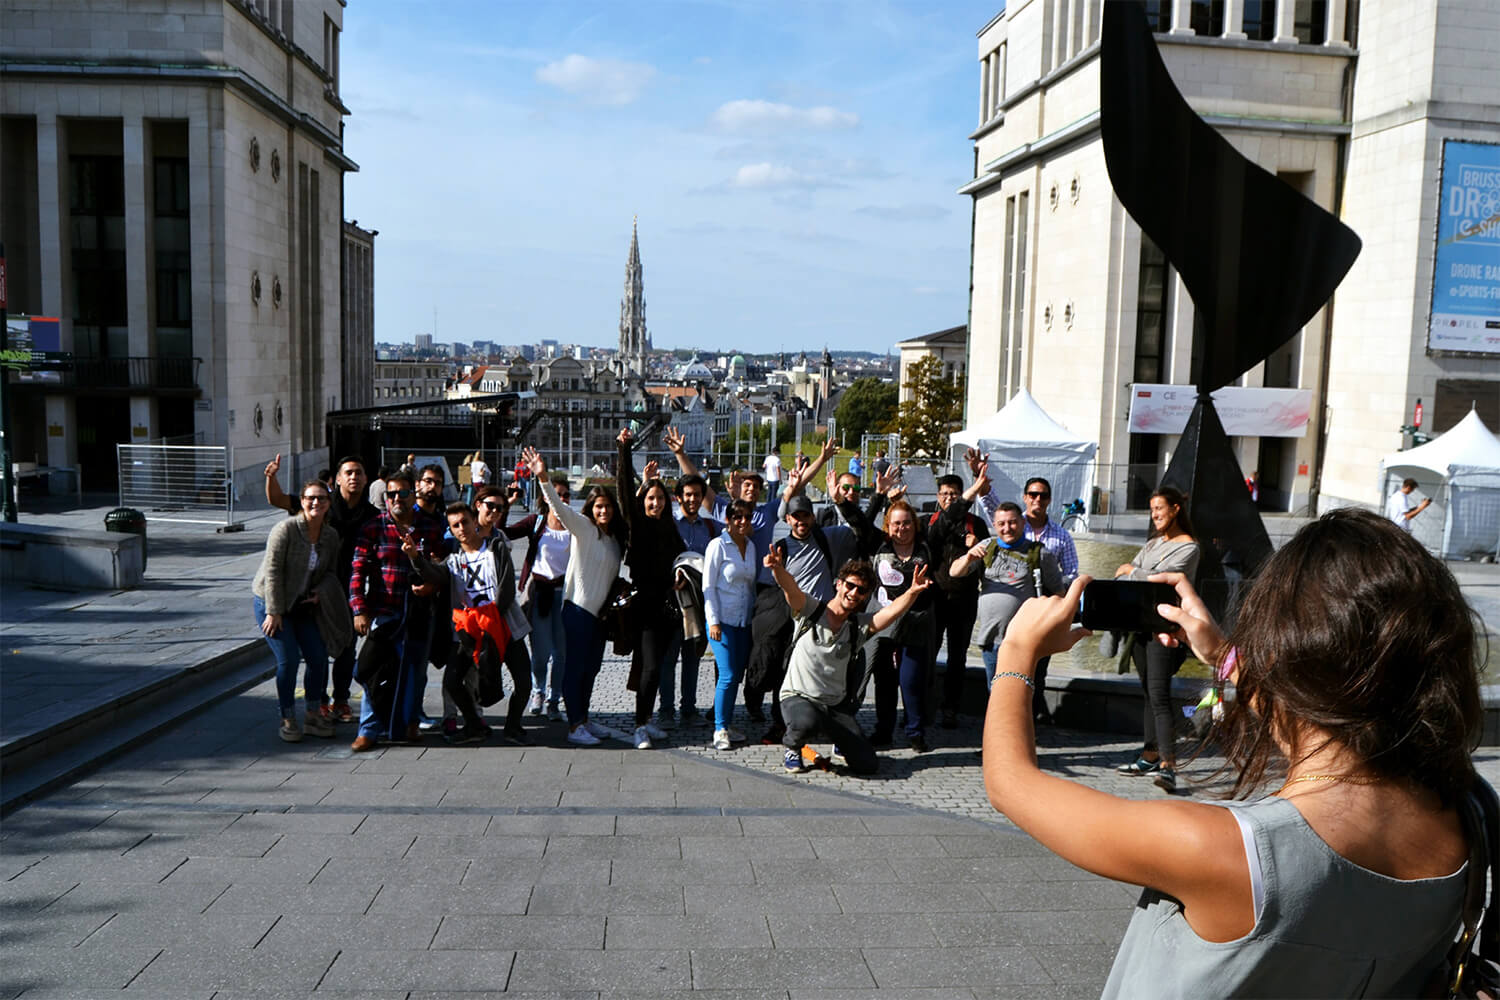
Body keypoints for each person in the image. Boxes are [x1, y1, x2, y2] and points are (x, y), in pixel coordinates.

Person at [981, 508, 1479, 997]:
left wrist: (1016, 653)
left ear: (1284, 652)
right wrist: (1221, 654)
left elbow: (1010, 783)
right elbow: (1317, 727)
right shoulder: (1463, 818)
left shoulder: (1225, 850)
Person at [771, 548, 933, 776]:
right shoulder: (811, 610)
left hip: (834, 706)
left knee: (867, 764)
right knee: (804, 723)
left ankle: (839, 739)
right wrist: (778, 569)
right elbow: (791, 590)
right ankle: (793, 746)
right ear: (838, 584)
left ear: (866, 596)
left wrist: (912, 592)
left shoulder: (857, 627)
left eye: (861, 590)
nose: (854, 593)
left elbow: (890, 614)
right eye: (850, 585)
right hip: (799, 697)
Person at [523, 445, 625, 746]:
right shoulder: (585, 529)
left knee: (591, 669)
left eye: (607, 507)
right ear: (591, 510)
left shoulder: (615, 540)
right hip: (577, 611)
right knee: (575, 668)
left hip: (598, 616)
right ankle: (573, 725)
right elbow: (560, 508)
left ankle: (584, 719)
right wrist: (543, 478)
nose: (603, 511)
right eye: (598, 507)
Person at [263, 453, 376, 723]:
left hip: (346, 589)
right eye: (347, 472)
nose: (353, 477)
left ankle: (340, 700)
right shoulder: (322, 503)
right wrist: (271, 477)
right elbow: (278, 500)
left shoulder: (372, 516)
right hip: (311, 587)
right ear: (336, 480)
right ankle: (319, 702)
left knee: (347, 646)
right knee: (317, 649)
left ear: (366, 479)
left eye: (358, 472)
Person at [347, 471, 445, 752]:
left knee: (415, 671)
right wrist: (359, 610)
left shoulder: (429, 527)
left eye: (403, 493)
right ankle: (368, 729)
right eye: (391, 494)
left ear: (413, 494)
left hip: (419, 613)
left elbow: (442, 568)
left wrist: (431, 586)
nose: (397, 499)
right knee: (372, 672)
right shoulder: (373, 528)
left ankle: (409, 723)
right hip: (383, 612)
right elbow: (357, 572)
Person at [1113, 486, 1199, 791]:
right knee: (1148, 693)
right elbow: (1125, 579)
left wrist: (1132, 570)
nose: (1156, 515)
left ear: (1176, 509)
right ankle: (1150, 754)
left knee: (1160, 695)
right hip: (1141, 627)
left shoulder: (1188, 547)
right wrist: (1136, 572)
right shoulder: (1151, 545)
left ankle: (1169, 765)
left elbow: (1163, 580)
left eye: (1160, 509)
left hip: (1164, 630)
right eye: (1152, 510)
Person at [250, 479, 350, 742]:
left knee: (318, 658)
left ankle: (313, 714)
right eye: (310, 498)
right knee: (289, 661)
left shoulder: (330, 535)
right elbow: (272, 572)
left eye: (322, 499)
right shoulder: (285, 529)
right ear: (302, 501)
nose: (316, 503)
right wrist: (274, 611)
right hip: (272, 602)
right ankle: (287, 717)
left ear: (329, 503)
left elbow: (330, 572)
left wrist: (321, 593)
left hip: (303, 604)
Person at [615, 428, 686, 749]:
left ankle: (647, 717)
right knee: (649, 666)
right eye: (650, 498)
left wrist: (682, 577)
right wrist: (624, 450)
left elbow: (681, 559)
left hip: (667, 607)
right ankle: (639, 725)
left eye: (659, 498)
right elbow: (624, 493)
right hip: (644, 604)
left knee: (657, 668)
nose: (655, 502)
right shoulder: (638, 524)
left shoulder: (670, 527)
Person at [950, 501, 1064, 689]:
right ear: (994, 526)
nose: (1007, 528)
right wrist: (969, 556)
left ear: (1022, 523)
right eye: (1002, 524)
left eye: (1012, 522)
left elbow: (1059, 595)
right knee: (995, 693)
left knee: (1027, 692)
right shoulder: (987, 547)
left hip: (1026, 641)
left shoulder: (1040, 553)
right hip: (992, 639)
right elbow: (954, 572)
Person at [866, 499, 938, 753]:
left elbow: (948, 520)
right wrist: (877, 495)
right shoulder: (879, 545)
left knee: (911, 680)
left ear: (914, 524)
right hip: (885, 624)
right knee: (884, 682)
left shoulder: (926, 546)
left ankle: (915, 733)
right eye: (896, 523)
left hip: (916, 623)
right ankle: (883, 730)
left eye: (907, 523)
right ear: (888, 526)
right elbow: (858, 522)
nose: (902, 528)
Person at [924, 471, 990, 728]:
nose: (949, 498)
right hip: (936, 597)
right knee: (929, 652)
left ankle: (951, 708)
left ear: (961, 494)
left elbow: (990, 560)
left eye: (954, 493)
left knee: (957, 656)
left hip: (965, 599)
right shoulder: (931, 522)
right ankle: (926, 704)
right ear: (938, 497)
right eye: (944, 494)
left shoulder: (976, 524)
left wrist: (977, 546)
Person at [506, 476, 572, 722]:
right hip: (539, 594)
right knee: (541, 652)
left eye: (566, 495)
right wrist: (509, 503)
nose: (562, 499)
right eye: (557, 494)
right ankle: (538, 691)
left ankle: (555, 700)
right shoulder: (537, 522)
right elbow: (504, 532)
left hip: (564, 597)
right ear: (545, 497)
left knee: (562, 653)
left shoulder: (574, 525)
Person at [702, 499, 757, 751]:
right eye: (737, 517)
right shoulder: (718, 546)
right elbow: (708, 586)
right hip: (721, 621)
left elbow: (750, 586)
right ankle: (719, 728)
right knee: (728, 674)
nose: (742, 521)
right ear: (728, 519)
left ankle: (728, 723)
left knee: (736, 676)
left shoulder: (752, 546)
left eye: (747, 516)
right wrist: (713, 620)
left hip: (743, 621)